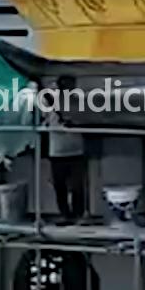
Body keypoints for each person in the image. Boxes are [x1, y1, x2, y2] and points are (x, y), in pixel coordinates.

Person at [44, 75, 87, 223]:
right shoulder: (49, 100)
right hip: (58, 150)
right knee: (60, 186)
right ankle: (66, 214)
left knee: (77, 186)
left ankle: (77, 214)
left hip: (75, 149)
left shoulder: (78, 102)